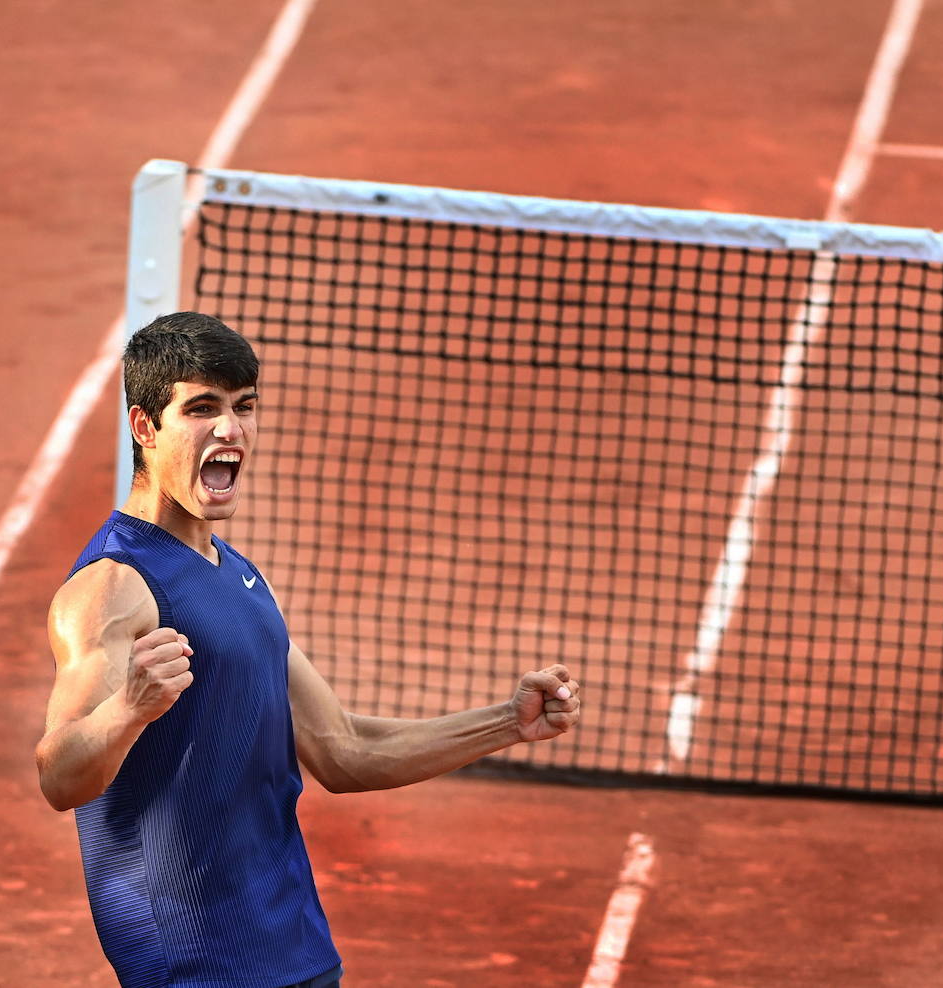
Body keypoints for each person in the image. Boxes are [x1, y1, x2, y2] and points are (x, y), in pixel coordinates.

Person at [35, 312, 582, 988]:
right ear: (145, 427)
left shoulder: (237, 574)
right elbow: (59, 775)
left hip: (295, 950)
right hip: (199, 969)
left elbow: (346, 750)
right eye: (202, 409)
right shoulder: (114, 587)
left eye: (244, 407)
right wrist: (128, 708)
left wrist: (506, 722)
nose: (230, 430)